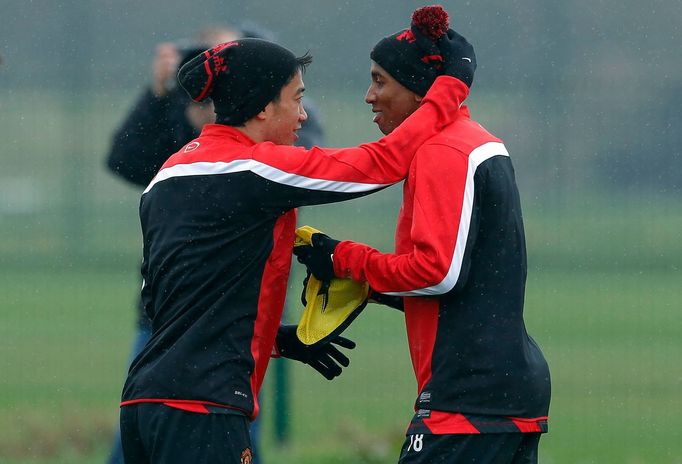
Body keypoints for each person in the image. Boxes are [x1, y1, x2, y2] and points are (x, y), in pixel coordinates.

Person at [118, 36, 472, 463]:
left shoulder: (169, 174)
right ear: (263, 107)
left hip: (142, 405)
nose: (303, 115)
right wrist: (452, 84)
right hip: (203, 410)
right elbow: (381, 164)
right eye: (297, 99)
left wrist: (277, 339)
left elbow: (171, 304)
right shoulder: (253, 168)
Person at [293, 6, 551, 464]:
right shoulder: (477, 140)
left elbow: (438, 274)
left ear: (418, 91)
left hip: (466, 397)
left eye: (380, 80)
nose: (369, 96)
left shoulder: (441, 151)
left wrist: (343, 259)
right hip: (507, 393)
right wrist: (370, 286)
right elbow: (472, 284)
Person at [104, 25, 325, 464]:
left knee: (233, 427)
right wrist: (157, 93)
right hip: (166, 321)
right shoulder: (178, 136)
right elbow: (123, 159)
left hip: (235, 327)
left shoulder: (271, 124)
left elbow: (306, 152)